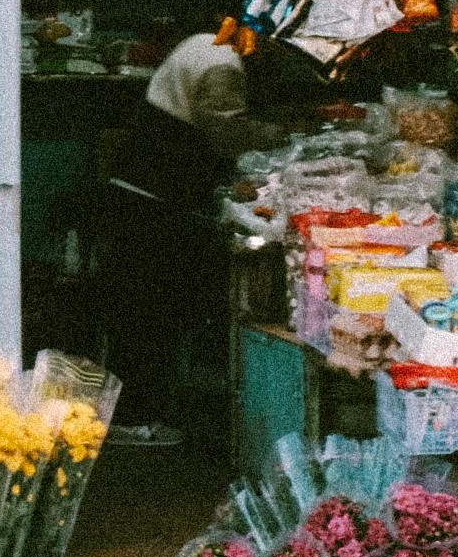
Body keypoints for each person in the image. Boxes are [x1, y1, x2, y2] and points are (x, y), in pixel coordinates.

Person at [95, 30, 311, 447]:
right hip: (151, 194)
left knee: (141, 308)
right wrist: (286, 137)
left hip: (143, 188)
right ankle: (134, 418)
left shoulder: (203, 44)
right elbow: (225, 130)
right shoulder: (221, 61)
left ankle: (132, 412)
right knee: (148, 309)